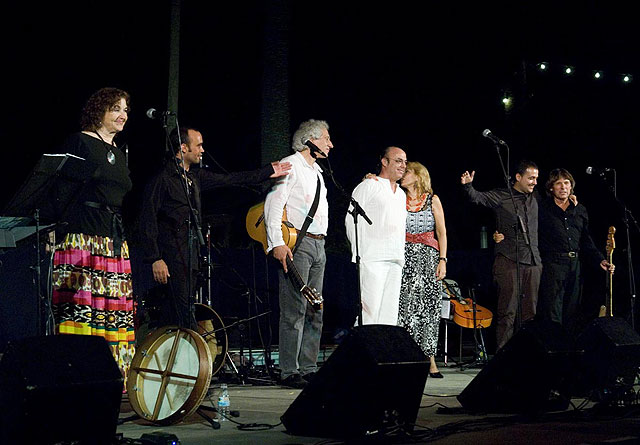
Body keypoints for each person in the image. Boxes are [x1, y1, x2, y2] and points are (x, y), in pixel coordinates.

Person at [138, 126, 291, 332]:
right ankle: (192, 348)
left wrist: (267, 172)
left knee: (180, 310)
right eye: (198, 145)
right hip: (171, 255)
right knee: (183, 311)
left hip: (190, 253)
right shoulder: (162, 179)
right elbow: (147, 220)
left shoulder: (194, 177)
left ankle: (173, 347)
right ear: (183, 147)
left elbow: (231, 179)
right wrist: (155, 258)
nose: (202, 150)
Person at [51, 87, 135, 383]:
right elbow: (61, 191)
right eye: (116, 108)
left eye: (125, 110)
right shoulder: (80, 142)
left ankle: (113, 378)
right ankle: (78, 378)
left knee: (113, 313)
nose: (123, 115)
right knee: (82, 312)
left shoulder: (119, 152)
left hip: (113, 243)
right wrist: (57, 231)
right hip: (83, 239)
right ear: (99, 111)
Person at [264, 119, 332, 389]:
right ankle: (289, 370)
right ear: (310, 141)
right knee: (294, 309)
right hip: (298, 245)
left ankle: (309, 367)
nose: (330, 144)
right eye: (326, 138)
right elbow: (273, 204)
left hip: (319, 245)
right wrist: (277, 243)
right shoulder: (290, 164)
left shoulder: (318, 173)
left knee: (316, 308)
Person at [460, 160, 542, 351]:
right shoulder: (502, 196)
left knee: (530, 314)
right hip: (509, 259)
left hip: (533, 261)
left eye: (536, 178)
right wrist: (468, 186)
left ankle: (525, 354)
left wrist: (569, 199)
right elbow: (478, 198)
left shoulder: (536, 197)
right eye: (531, 178)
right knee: (508, 312)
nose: (534, 182)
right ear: (518, 177)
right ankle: (503, 356)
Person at [537, 168, 614, 335]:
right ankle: (554, 346)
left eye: (566, 183)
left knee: (572, 312)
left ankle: (568, 347)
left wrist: (600, 259)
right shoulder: (542, 208)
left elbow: (586, 240)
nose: (563, 187)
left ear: (571, 186)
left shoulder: (579, 210)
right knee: (552, 311)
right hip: (553, 264)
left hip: (575, 266)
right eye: (558, 183)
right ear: (551, 188)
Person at [345, 146, 408, 325]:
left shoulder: (401, 194)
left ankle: (384, 345)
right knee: (369, 312)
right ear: (384, 162)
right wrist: (360, 252)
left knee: (389, 316)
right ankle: (361, 344)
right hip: (372, 258)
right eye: (398, 161)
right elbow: (351, 220)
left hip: (395, 258)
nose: (403, 166)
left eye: (405, 162)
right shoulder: (368, 185)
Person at [398, 162, 447, 377]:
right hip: (404, 257)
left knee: (429, 308)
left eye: (407, 171)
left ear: (418, 176)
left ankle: (430, 360)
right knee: (406, 308)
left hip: (428, 258)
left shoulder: (432, 200)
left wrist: (443, 260)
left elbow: (441, 232)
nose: (402, 174)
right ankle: (407, 357)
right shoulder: (397, 198)